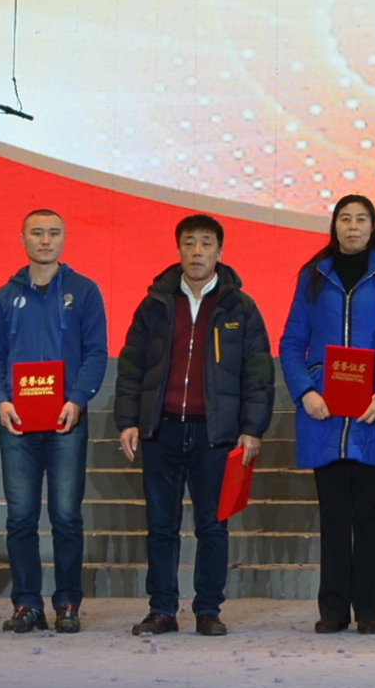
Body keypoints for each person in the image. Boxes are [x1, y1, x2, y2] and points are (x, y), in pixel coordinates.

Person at [113, 213, 274, 636]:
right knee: (161, 526)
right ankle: (162, 609)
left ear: (220, 251)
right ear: (178, 249)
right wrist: (128, 420)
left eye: (205, 243)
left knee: (212, 526)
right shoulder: (155, 304)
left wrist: (252, 428)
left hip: (215, 434)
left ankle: (208, 610)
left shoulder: (241, 307)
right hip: (162, 429)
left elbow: (258, 373)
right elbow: (131, 366)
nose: (197, 251)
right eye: (189, 243)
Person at [278, 193, 375, 634]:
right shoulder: (313, 276)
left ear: (374, 227)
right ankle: (333, 608)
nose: (352, 227)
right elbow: (291, 342)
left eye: (361, 219)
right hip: (325, 411)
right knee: (333, 512)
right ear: (334, 225)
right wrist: (305, 392)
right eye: (345, 219)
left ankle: (370, 609)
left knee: (369, 513)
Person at [0, 208, 110, 634]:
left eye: (54, 233)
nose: (46, 240)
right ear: (23, 239)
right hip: (17, 422)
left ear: (64, 239)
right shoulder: (5, 296)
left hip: (65, 421)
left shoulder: (84, 291)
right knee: (20, 518)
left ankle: (68, 603)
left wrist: (78, 399)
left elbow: (96, 353)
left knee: (67, 516)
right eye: (37, 233)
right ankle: (27, 604)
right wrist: (1, 401)